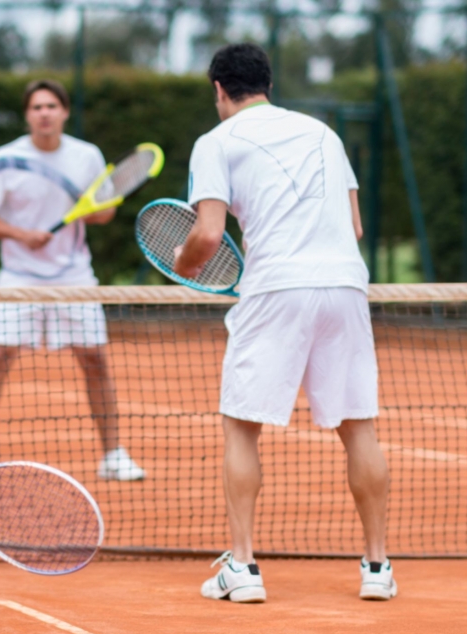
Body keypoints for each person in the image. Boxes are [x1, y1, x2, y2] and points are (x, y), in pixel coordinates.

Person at [174, 44, 394, 603]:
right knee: (359, 425)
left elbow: (205, 235)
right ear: (267, 84)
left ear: (219, 90)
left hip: (275, 289)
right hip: (345, 285)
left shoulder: (214, 142)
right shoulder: (324, 134)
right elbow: (355, 225)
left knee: (242, 426)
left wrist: (181, 263)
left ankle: (243, 566)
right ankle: (377, 567)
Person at [0, 78, 145, 482]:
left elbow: (105, 212)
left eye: (52, 106)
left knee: (95, 360)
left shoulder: (87, 156)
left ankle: (113, 456)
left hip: (74, 275)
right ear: (27, 115)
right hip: (18, 277)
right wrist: (23, 235)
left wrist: (90, 211)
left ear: (64, 112)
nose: (45, 113)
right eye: (37, 107)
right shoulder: (4, 159)